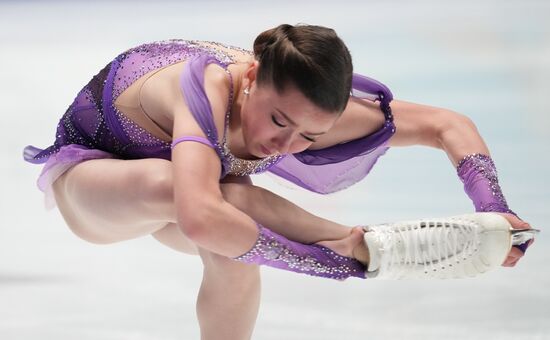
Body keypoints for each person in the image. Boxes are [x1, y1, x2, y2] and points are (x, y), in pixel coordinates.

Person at [23, 24, 534, 339]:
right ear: (250, 80)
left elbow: (448, 124)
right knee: (180, 190)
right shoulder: (202, 86)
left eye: (310, 136)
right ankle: (361, 248)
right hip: (95, 184)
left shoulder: (315, 110)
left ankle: (360, 248)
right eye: (279, 121)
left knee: (231, 228)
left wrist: (494, 207)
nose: (286, 146)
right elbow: (198, 216)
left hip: (197, 192)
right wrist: (337, 265)